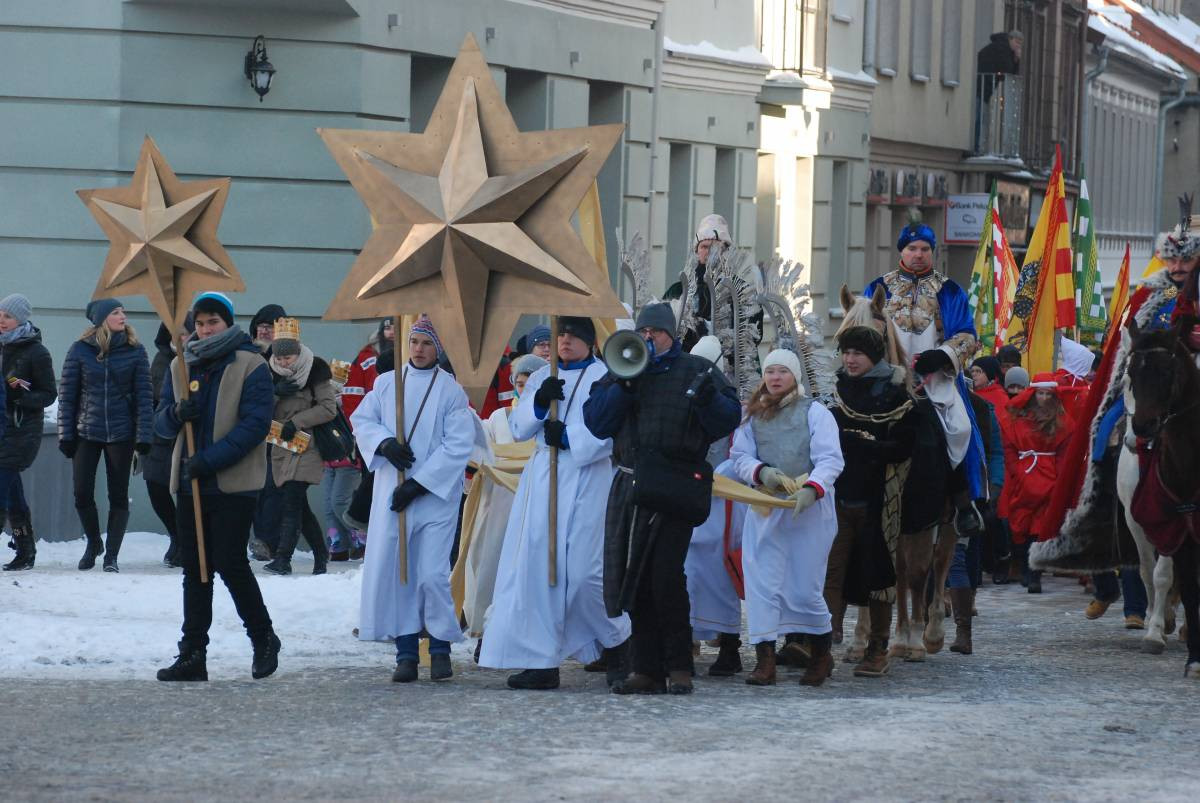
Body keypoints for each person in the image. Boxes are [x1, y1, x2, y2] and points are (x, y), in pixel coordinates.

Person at [584, 303, 741, 695]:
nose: (649, 337)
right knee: (633, 579)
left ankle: (679, 665)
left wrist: (709, 400)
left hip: (674, 484)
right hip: (632, 485)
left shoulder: (697, 370)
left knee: (665, 576)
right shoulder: (623, 369)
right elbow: (596, 422)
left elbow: (728, 420)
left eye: (656, 331)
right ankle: (646, 669)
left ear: (670, 334)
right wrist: (624, 383)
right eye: (644, 331)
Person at [481, 317, 631, 690]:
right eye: (561, 334)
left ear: (589, 341)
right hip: (544, 480)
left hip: (588, 479)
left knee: (584, 574)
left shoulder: (605, 376)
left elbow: (616, 433)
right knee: (538, 572)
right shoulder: (541, 376)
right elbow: (518, 429)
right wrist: (538, 401)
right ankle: (541, 660)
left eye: (573, 336)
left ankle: (619, 642)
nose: (564, 341)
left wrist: (569, 438)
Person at [155, 292, 280, 682]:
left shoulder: (251, 364)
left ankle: (263, 638)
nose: (205, 329)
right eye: (201, 322)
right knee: (195, 568)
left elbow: (255, 425)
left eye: (214, 322)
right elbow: (159, 424)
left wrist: (208, 459)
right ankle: (192, 653)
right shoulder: (181, 363)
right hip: (191, 483)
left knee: (228, 561)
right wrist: (177, 414)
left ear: (227, 324)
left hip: (233, 482)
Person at [352, 315, 476, 683]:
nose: (419, 350)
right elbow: (363, 421)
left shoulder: (451, 390)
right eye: (414, 342)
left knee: (432, 574)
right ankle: (405, 653)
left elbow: (457, 445)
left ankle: (439, 648)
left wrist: (419, 484)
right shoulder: (387, 384)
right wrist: (384, 444)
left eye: (426, 343)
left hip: (435, 497)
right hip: (393, 491)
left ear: (438, 348)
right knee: (399, 570)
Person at [866, 215, 986, 538]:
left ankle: (963, 504)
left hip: (936, 379)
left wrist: (941, 356)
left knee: (959, 428)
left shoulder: (950, 291)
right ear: (901, 252)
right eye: (912, 248)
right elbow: (865, 329)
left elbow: (967, 335)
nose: (918, 254)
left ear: (933, 252)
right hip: (888, 378)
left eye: (924, 249)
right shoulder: (879, 287)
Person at [732, 349, 844, 687]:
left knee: (804, 586)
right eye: (770, 371)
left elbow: (831, 459)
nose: (775, 377)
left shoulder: (816, 413)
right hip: (767, 508)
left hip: (808, 511)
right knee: (761, 585)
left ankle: (821, 654)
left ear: (794, 376)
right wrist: (760, 471)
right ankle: (765, 659)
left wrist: (812, 488)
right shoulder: (752, 417)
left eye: (782, 371)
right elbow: (739, 456)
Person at [824, 326, 917, 678]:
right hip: (837, 497)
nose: (850, 359)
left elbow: (905, 447)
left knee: (878, 576)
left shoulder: (897, 395)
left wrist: (865, 445)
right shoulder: (832, 390)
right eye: (846, 352)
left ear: (874, 356)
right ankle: (821, 644)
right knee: (830, 572)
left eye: (858, 353)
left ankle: (878, 647)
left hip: (879, 500)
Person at [58, 299, 154, 573]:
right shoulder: (79, 350)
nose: (123, 316)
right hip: (86, 431)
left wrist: (143, 435)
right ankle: (93, 543)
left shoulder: (136, 351)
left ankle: (111, 554)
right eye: (116, 312)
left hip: (121, 434)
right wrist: (66, 435)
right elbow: (67, 397)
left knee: (118, 495)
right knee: (82, 493)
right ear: (101, 319)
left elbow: (145, 398)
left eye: (123, 311)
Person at [682, 336, 746, 677]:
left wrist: (727, 472)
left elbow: (740, 449)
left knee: (720, 577)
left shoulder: (733, 405)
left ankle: (730, 645)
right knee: (685, 573)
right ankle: (684, 642)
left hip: (722, 503)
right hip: (687, 496)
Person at [262, 319, 337, 576]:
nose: (284, 363)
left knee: (292, 501)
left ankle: (283, 559)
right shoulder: (267, 372)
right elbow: (257, 407)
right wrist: (273, 392)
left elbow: (329, 408)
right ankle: (320, 555)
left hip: (309, 444)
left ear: (298, 351)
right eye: (279, 358)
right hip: (281, 445)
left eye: (289, 357)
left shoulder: (315, 369)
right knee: (298, 506)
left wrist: (297, 421)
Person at [999, 374, 1074, 593]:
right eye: (1039, 393)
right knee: (1019, 524)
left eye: (1047, 394)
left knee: (1040, 528)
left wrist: (1058, 479)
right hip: (1023, 475)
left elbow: (1065, 454)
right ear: (1032, 394)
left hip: (1048, 477)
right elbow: (1009, 448)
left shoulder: (1063, 423)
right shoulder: (1017, 419)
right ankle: (1024, 566)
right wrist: (1017, 471)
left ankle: (1034, 574)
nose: (1043, 398)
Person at [0, 294, 56, 572]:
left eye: (7, 316)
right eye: (0, 314)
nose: (2, 320)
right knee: (11, 492)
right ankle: (26, 549)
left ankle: (25, 549)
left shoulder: (36, 352)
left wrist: (18, 399)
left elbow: (49, 393)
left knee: (3, 485)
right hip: (1, 426)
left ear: (21, 319)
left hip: (21, 430)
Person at [144, 319, 193, 568]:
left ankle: (186, 541)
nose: (180, 339)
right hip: (161, 432)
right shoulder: (161, 359)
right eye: (175, 335)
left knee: (185, 491)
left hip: (189, 434)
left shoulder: (198, 359)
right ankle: (175, 535)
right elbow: (152, 396)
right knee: (155, 485)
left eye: (184, 334)